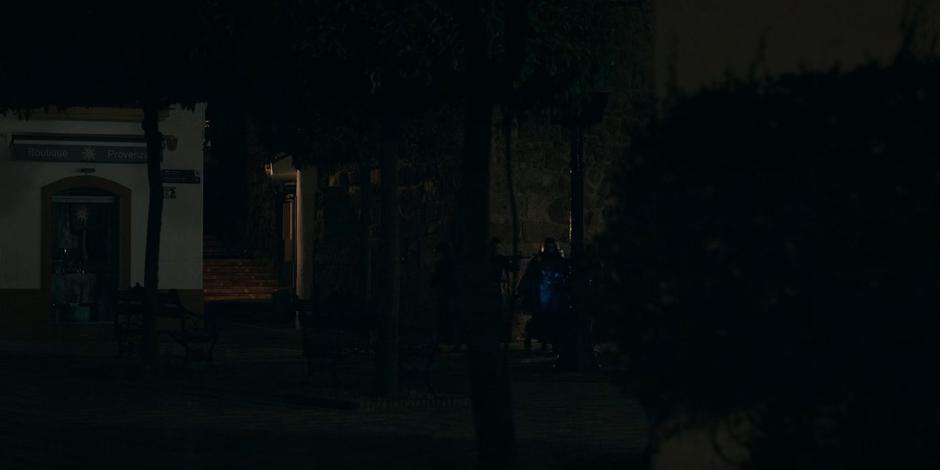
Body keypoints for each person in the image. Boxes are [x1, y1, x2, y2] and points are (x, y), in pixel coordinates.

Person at [518, 238, 568, 353]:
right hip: (541, 296)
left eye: (552, 247)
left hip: (553, 295)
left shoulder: (559, 261)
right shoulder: (537, 261)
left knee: (554, 321)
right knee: (539, 320)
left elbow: (563, 274)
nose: (550, 249)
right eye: (548, 247)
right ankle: (536, 341)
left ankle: (554, 345)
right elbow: (529, 276)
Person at [430, 242, 462, 350]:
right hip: (452, 294)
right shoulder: (453, 264)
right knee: (452, 318)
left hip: (445, 294)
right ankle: (454, 342)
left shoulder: (441, 264)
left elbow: (434, 280)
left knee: (442, 318)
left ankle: (440, 342)